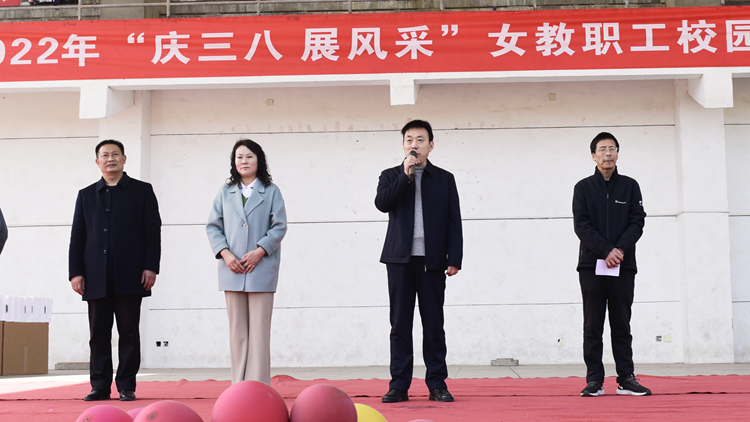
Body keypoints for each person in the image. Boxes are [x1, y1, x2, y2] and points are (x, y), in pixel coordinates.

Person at [375, 120, 463, 403]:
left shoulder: (445, 178)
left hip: (432, 261)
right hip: (399, 260)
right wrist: (405, 175)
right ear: (403, 145)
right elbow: (382, 203)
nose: (415, 144)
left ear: (431, 145)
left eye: (420, 140)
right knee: (400, 324)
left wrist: (454, 257)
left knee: (434, 324)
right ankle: (399, 385)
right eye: (409, 140)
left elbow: (454, 220)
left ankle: (437, 383)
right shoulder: (390, 175)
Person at [68, 139, 162, 402]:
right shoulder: (86, 195)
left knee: (129, 332)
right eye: (105, 155)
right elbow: (77, 237)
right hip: (95, 275)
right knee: (98, 334)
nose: (110, 159)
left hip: (131, 274)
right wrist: (76, 272)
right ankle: (99, 386)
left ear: (124, 159)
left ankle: (126, 386)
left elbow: (152, 232)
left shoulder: (142, 191)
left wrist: (150, 267)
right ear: (97, 162)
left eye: (115, 154)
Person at [573, 132, 651, 397]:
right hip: (591, 265)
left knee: (621, 323)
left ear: (618, 153)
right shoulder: (583, 188)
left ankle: (626, 378)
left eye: (612, 148)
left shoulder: (630, 186)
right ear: (593, 155)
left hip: (623, 265)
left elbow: (637, 222)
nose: (608, 153)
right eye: (602, 149)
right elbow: (581, 225)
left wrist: (619, 250)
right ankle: (594, 380)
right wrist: (606, 250)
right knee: (592, 325)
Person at [206, 139, 287, 385]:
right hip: (232, 269)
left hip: (261, 268)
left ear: (259, 160)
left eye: (249, 156)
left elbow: (279, 226)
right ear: (234, 162)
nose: (244, 161)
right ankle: (238, 385)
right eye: (239, 157)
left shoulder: (271, 191)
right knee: (237, 331)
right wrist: (225, 254)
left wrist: (260, 251)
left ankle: (259, 385)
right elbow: (213, 227)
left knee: (259, 331)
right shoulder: (225, 192)